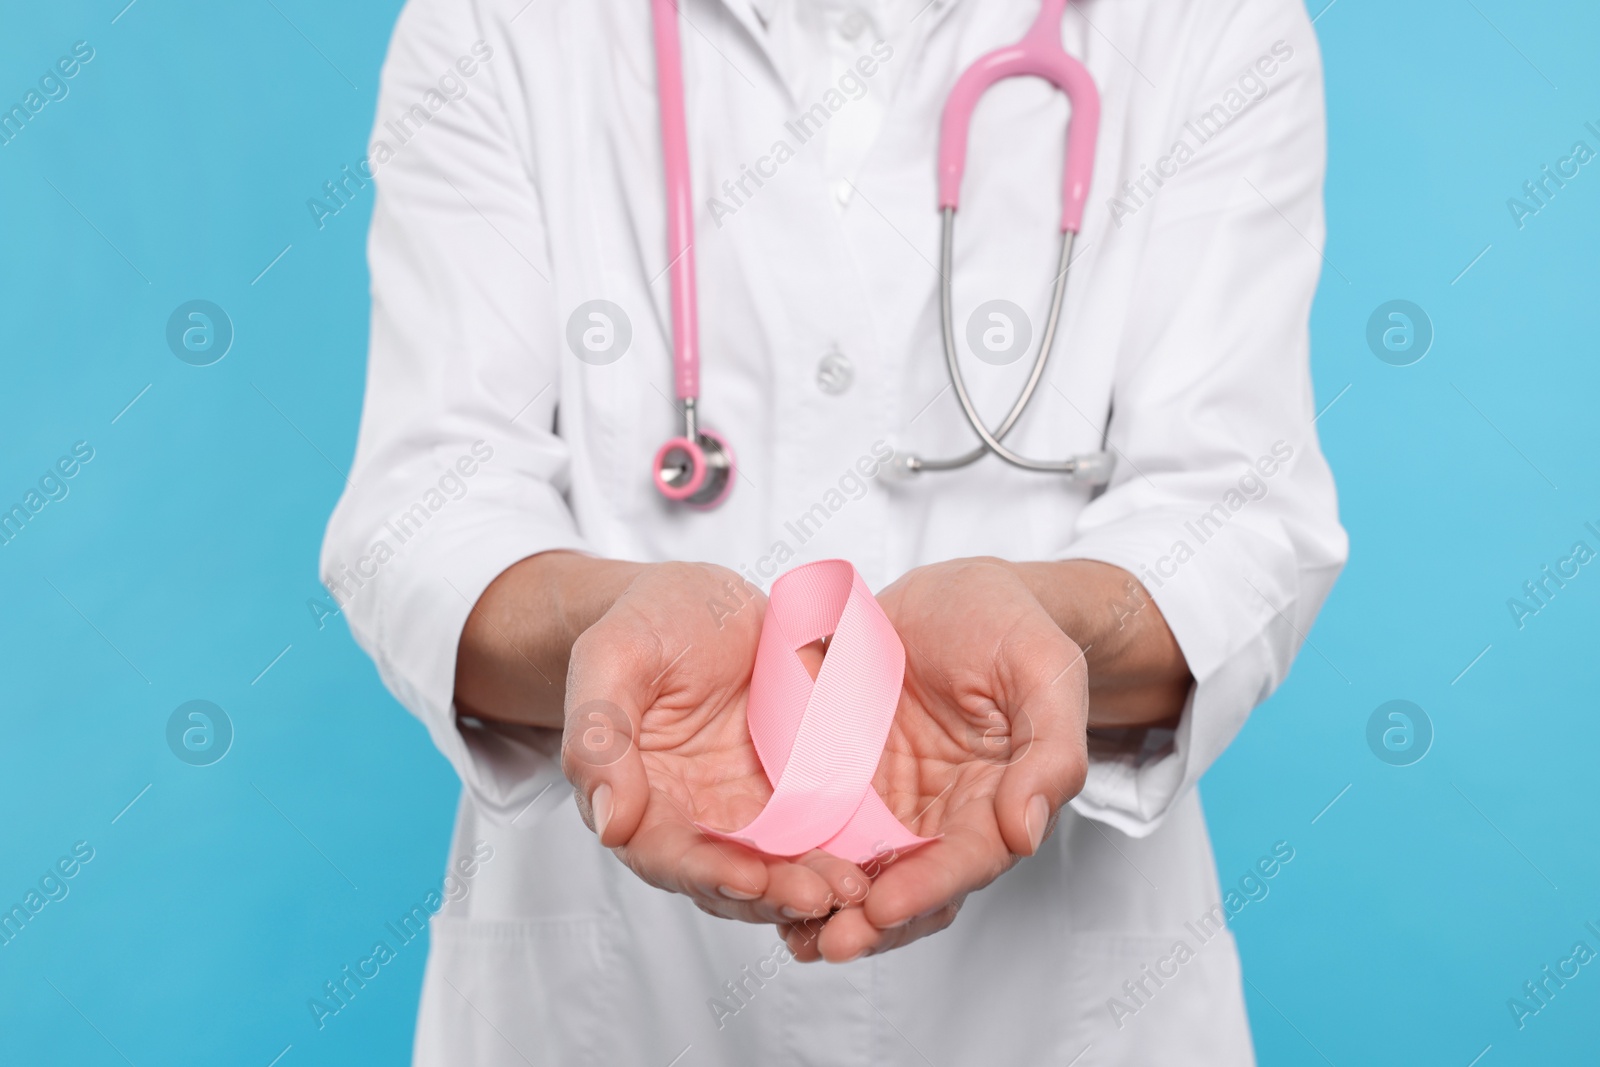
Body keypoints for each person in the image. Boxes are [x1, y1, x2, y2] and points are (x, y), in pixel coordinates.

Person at [321, 0, 1346, 1062]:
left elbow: (1237, 511)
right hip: (615, 1005)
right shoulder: (493, 22)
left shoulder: (1208, 24)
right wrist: (611, 637)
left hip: (1049, 1009)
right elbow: (425, 506)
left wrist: (1042, 643)